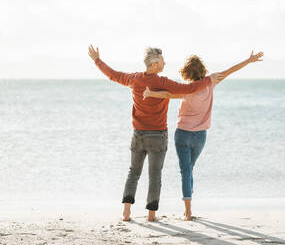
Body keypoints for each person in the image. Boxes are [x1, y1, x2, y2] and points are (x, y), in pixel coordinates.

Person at [88, 45, 223, 221]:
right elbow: (188, 89)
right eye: (162, 61)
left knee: (133, 172)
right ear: (153, 65)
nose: (165, 63)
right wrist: (208, 80)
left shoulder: (134, 79)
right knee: (155, 175)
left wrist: (97, 60)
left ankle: (126, 213)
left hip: (138, 134)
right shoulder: (162, 82)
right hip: (157, 136)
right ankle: (151, 215)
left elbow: (113, 75)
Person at [143, 51, 264, 220]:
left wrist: (150, 93)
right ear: (202, 70)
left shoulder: (187, 88)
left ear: (187, 73)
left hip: (182, 134)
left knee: (186, 171)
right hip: (200, 136)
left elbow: (167, 94)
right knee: (189, 170)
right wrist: (249, 60)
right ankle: (188, 204)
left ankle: (188, 210)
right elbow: (230, 70)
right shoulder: (210, 83)